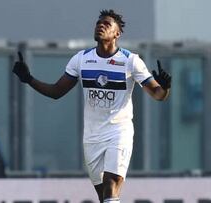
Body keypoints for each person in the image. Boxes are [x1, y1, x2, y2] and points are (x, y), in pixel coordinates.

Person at [13, 9, 171, 203]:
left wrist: (165, 88)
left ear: (117, 33)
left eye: (107, 24)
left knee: (111, 184)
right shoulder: (81, 59)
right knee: (103, 194)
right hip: (92, 136)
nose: (100, 26)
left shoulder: (130, 61)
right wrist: (29, 79)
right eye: (98, 23)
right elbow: (56, 92)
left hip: (118, 131)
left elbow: (157, 94)